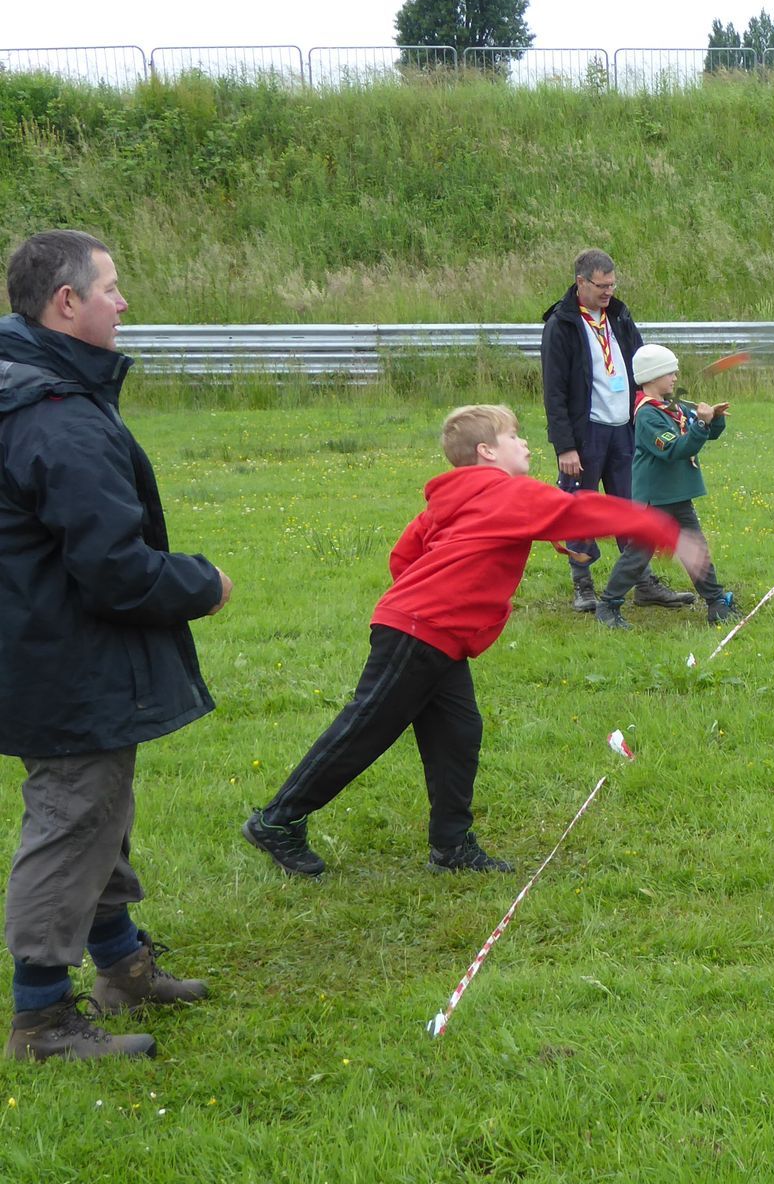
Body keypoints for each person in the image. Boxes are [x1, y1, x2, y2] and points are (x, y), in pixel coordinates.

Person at [242, 404, 707, 879]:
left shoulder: (461, 497)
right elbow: (580, 507)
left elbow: (405, 555)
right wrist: (667, 531)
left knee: (457, 736)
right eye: (514, 437)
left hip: (435, 632)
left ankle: (451, 846)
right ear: (486, 451)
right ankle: (278, 820)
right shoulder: (508, 492)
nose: (526, 444)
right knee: (366, 728)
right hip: (423, 629)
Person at [1, 230, 232, 1062]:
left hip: (42, 646)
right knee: (72, 819)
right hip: (62, 657)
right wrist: (203, 585)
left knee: (100, 811)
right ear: (67, 302)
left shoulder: (32, 389)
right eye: (111, 287)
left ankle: (121, 965)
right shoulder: (52, 415)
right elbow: (115, 569)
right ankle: (42, 1021)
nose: (123, 303)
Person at [539, 248, 694, 613]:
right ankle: (584, 586)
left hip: (625, 429)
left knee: (633, 507)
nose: (608, 291)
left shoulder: (620, 316)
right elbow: (554, 391)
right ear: (581, 282)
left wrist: (660, 407)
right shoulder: (561, 324)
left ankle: (642, 582)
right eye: (601, 285)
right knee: (581, 509)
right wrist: (565, 446)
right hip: (585, 434)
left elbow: (640, 366)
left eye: (612, 284)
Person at [596, 345, 742, 630]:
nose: (676, 377)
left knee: (695, 549)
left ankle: (716, 602)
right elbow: (674, 449)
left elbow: (700, 433)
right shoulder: (648, 416)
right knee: (638, 555)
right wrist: (701, 423)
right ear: (652, 376)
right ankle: (608, 605)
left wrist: (714, 419)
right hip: (655, 499)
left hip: (676, 495)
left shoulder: (671, 406)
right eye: (670, 372)